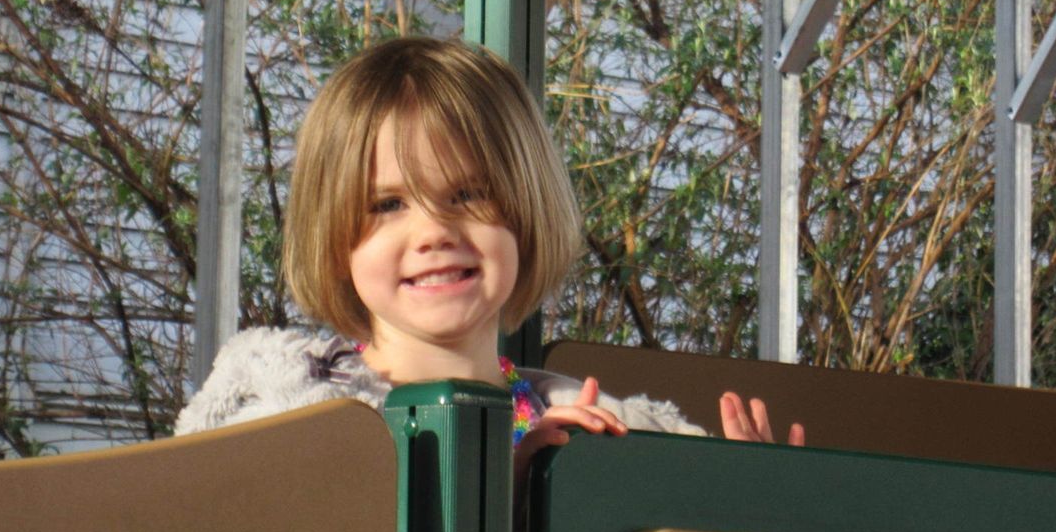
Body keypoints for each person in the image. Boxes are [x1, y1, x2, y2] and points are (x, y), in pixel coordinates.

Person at [176, 37, 802, 486]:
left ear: (526, 212)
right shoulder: (291, 434)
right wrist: (503, 493)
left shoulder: (617, 434)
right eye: (388, 203)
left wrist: (745, 503)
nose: (434, 232)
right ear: (335, 239)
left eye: (469, 195)